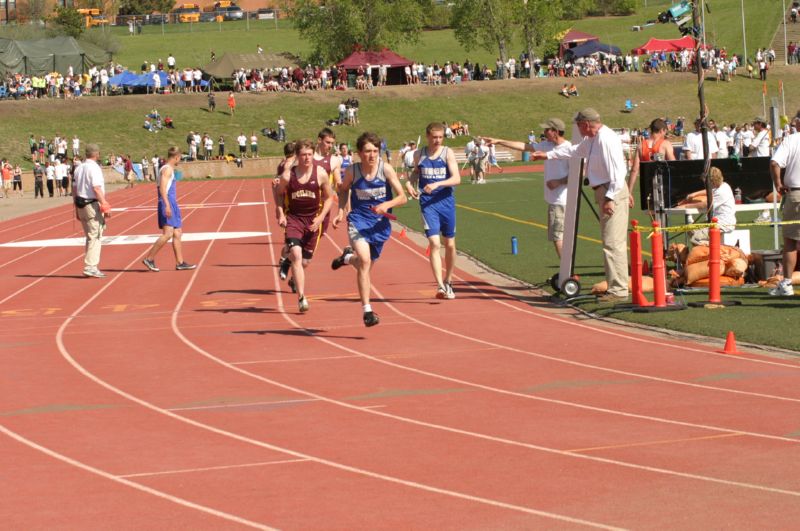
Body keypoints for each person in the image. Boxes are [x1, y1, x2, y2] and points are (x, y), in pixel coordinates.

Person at [532, 108, 630, 303]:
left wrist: (610, 197)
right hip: (605, 191)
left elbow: (618, 171)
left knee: (613, 243)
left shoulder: (605, 139)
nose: (577, 129)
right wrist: (548, 155)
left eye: (578, 125)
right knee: (609, 242)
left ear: (585, 124)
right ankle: (615, 287)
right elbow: (574, 151)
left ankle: (618, 290)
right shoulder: (593, 140)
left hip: (611, 191)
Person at [331, 131, 408, 326]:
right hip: (358, 221)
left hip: (379, 226)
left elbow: (403, 197)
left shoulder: (386, 170)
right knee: (364, 261)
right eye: (367, 151)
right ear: (359, 152)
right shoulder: (352, 171)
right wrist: (341, 211)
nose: (372, 155)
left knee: (364, 265)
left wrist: (386, 204)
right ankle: (367, 311)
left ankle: (347, 258)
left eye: (375, 151)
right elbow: (343, 191)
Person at [482, 117, 571, 258]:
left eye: (547, 129)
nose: (544, 132)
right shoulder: (547, 145)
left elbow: (579, 174)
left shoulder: (568, 149)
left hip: (561, 200)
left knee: (558, 237)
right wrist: (499, 141)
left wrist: (558, 182)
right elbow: (523, 146)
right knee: (559, 237)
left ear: (556, 132)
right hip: (554, 200)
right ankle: (567, 270)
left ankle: (567, 272)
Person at [274, 140, 334, 312]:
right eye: (303, 155)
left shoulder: (321, 173)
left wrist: (321, 217)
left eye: (309, 154)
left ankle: (289, 268)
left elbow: (329, 198)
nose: (307, 158)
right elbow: (278, 193)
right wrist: (280, 212)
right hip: (294, 219)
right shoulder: (288, 175)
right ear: (297, 156)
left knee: (305, 262)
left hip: (313, 221)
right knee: (296, 254)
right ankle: (301, 297)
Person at [405, 122, 462, 299]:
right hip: (428, 204)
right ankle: (440, 286)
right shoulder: (419, 154)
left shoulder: (447, 153)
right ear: (428, 136)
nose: (437, 140)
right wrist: (409, 183)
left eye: (440, 137)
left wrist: (438, 183)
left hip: (446, 202)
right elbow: (416, 172)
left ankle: (448, 280)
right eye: (434, 137)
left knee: (450, 245)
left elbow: (457, 178)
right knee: (435, 244)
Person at [142, 146, 196, 272]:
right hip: (167, 202)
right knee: (168, 234)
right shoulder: (167, 170)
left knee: (178, 232)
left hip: (172, 202)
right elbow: (162, 189)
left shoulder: (167, 169)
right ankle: (149, 258)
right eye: (180, 158)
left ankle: (180, 262)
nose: (180, 160)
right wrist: (167, 205)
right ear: (176, 157)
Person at [769, 112, 800, 296]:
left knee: (790, 241)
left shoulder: (791, 140)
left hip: (796, 194)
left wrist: (778, 184)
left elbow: (774, 163)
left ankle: (787, 282)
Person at [73, 144, 110, 278]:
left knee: (90, 236)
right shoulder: (94, 168)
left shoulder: (79, 167)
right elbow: (96, 188)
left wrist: (76, 208)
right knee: (95, 235)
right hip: (91, 204)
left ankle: (91, 265)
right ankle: (90, 266)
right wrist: (104, 204)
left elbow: (74, 189)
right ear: (97, 154)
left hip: (81, 203)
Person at [627, 118, 677, 208]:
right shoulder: (665, 144)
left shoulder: (641, 145)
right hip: (663, 184)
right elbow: (674, 165)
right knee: (663, 213)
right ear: (662, 130)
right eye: (665, 132)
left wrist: (629, 192)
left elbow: (634, 170)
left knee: (652, 213)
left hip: (647, 185)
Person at [680, 167, 736, 245]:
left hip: (723, 224)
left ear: (712, 182)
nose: (705, 185)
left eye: (706, 183)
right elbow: (709, 191)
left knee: (695, 239)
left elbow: (705, 204)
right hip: (714, 222)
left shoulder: (722, 191)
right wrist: (694, 194)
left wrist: (686, 206)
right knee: (691, 230)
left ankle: (712, 250)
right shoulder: (723, 185)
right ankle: (705, 249)